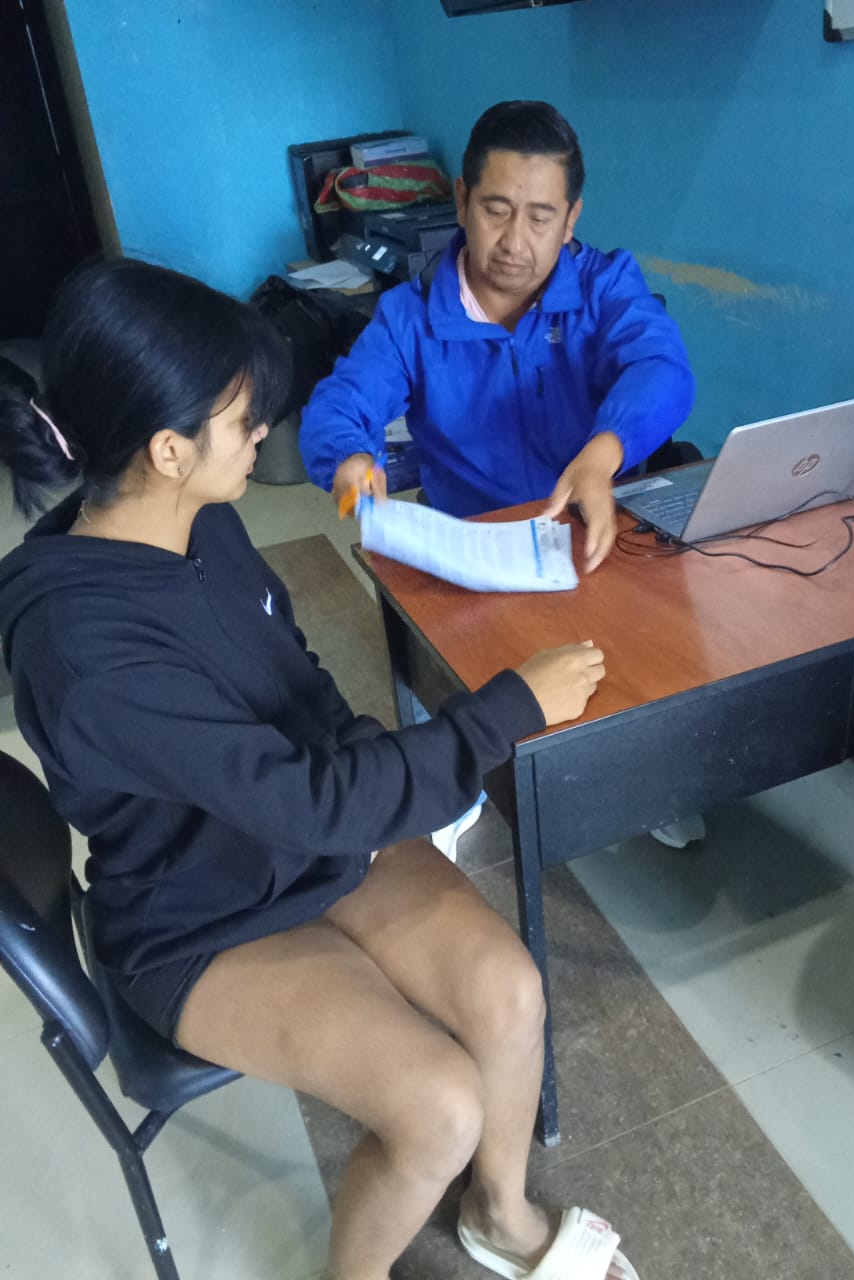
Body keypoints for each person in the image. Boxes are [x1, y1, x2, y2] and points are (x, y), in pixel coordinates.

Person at [0, 258, 637, 1280]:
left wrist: (379, 776)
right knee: (439, 1103)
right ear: (168, 448)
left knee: (511, 994)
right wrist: (508, 709)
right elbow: (305, 799)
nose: (263, 432)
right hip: (198, 917)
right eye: (243, 419)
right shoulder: (88, 651)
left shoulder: (202, 520)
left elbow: (298, 684)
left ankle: (502, 1213)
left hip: (309, 836)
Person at [299, 98, 695, 577]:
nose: (514, 243)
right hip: (476, 555)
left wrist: (603, 454)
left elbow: (662, 368)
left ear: (570, 219)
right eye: (497, 211)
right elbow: (339, 403)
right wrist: (350, 458)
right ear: (462, 201)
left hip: (596, 539)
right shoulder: (411, 317)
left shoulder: (605, 287)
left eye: (540, 219)